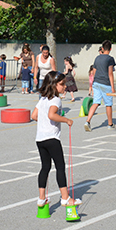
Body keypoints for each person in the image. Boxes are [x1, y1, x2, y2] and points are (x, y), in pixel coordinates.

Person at [31, 71, 82, 208]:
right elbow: (51, 115)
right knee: (60, 167)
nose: (64, 87)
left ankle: (41, 198)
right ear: (53, 85)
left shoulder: (42, 99)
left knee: (45, 167)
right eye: (61, 84)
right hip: (52, 138)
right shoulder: (56, 99)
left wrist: (44, 121)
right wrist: (66, 120)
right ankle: (65, 198)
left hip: (40, 139)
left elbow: (34, 115)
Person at [84, 40, 116, 131]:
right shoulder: (110, 59)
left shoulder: (97, 58)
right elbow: (110, 73)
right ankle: (110, 124)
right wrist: (113, 87)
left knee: (96, 103)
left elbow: (94, 71)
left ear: (102, 48)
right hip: (105, 83)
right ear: (110, 49)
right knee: (108, 104)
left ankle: (88, 121)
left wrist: (94, 82)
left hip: (96, 82)